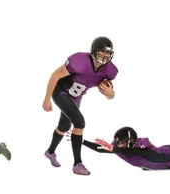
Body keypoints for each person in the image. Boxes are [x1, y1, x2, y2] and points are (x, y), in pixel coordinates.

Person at [42, 36, 118, 175]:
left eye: (107, 52)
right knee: (79, 123)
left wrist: (110, 93)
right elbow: (55, 76)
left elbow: (110, 96)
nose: (104, 55)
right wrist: (47, 99)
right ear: (94, 51)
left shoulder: (110, 70)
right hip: (61, 92)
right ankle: (77, 163)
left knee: (64, 127)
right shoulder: (79, 61)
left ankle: (50, 152)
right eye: (101, 51)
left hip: (76, 97)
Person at [83, 106, 170, 170]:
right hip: (166, 151)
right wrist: (80, 140)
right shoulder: (118, 148)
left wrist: (113, 149)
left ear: (131, 142)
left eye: (123, 143)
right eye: (119, 143)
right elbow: (100, 149)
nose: (120, 146)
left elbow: (134, 152)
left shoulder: (139, 148)